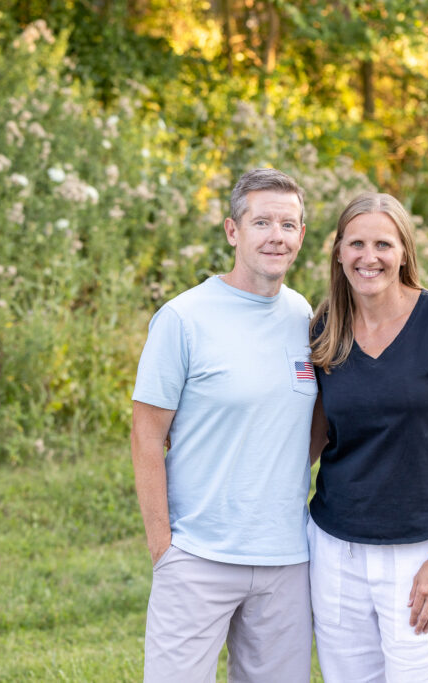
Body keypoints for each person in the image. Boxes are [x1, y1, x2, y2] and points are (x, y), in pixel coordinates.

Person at [131, 168, 317, 682]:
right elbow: (146, 436)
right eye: (262, 222)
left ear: (301, 235)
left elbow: (310, 425)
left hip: (285, 560)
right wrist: (163, 547)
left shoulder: (304, 316)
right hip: (197, 556)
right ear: (233, 231)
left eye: (288, 224)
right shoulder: (184, 318)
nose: (275, 236)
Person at [307, 192, 428, 682]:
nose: (370, 257)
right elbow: (312, 440)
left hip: (419, 551)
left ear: (404, 251)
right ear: (339, 252)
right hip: (334, 551)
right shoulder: (326, 328)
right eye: (357, 244)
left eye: (383, 244)